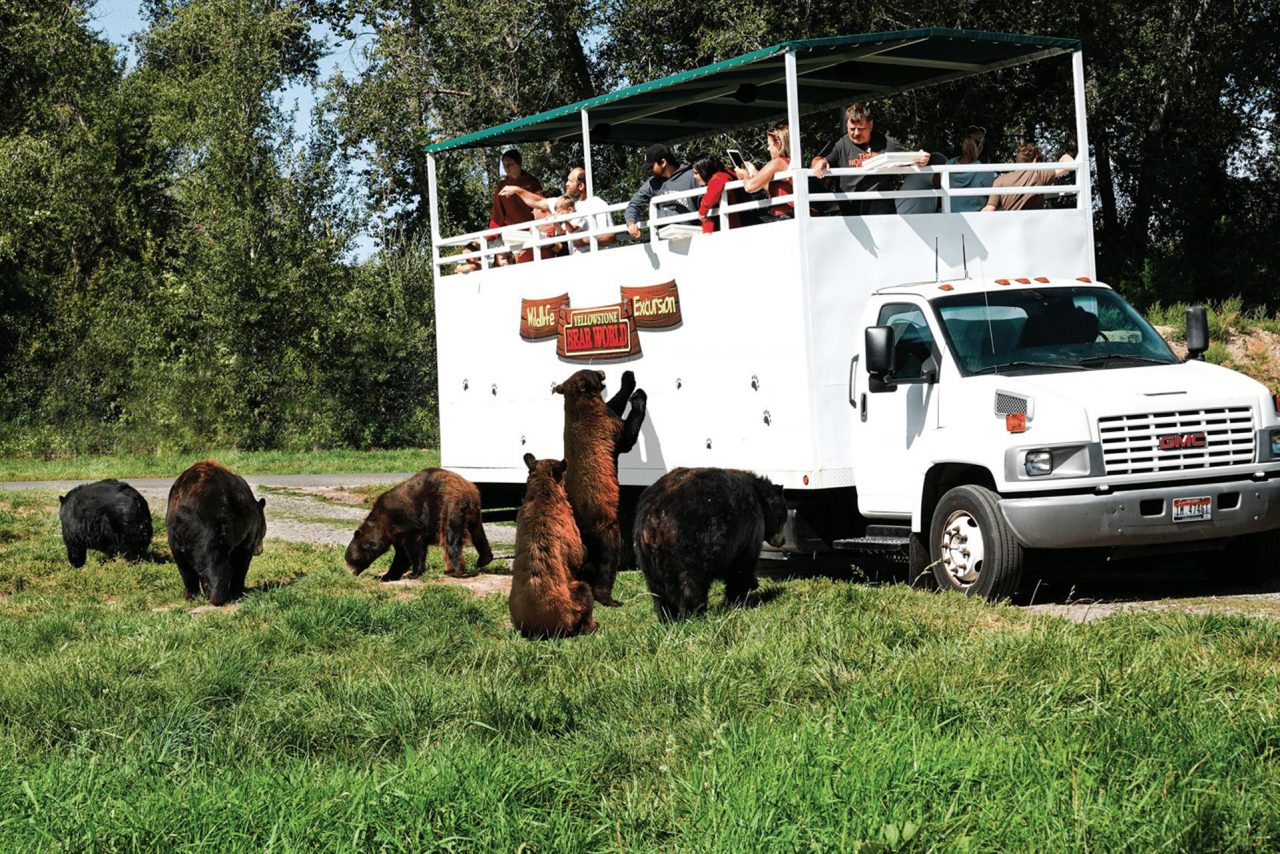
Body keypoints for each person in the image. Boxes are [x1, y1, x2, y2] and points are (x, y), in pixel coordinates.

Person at [810, 102, 930, 215]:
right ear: (846, 125)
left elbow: (912, 159)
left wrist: (921, 159)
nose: (856, 133)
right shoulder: (839, 144)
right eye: (852, 129)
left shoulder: (888, 143)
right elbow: (818, 160)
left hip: (883, 214)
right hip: (851, 213)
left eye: (861, 128)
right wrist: (818, 163)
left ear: (870, 124)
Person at [499, 165, 616, 248]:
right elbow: (538, 202)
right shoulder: (565, 204)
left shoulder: (597, 204)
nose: (566, 184)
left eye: (570, 181)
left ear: (581, 186)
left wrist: (587, 241)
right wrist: (516, 190)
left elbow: (611, 237)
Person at [625, 143, 699, 238]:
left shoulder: (692, 176)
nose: (649, 170)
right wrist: (631, 222)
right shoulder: (652, 183)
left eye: (651, 167)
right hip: (663, 239)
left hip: (692, 237)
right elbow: (634, 204)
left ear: (663, 162)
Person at [982, 145, 1077, 212]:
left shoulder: (999, 181)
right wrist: (1065, 156)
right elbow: (1067, 166)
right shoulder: (1038, 174)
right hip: (1034, 229)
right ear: (1035, 160)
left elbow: (989, 209)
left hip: (1010, 230)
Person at [489, 149, 542, 262]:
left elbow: (540, 206)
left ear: (519, 163)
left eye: (510, 164)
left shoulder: (532, 182)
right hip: (511, 233)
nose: (507, 168)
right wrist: (492, 234)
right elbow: (497, 213)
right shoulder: (502, 185)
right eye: (504, 165)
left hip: (531, 231)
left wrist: (537, 227)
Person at [734, 124, 796, 221]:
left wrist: (744, 175)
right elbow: (776, 188)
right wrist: (755, 173)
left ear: (778, 143)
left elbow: (749, 187)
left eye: (769, 145)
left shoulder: (778, 162)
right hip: (787, 215)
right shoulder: (788, 162)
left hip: (783, 216)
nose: (768, 149)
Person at [947, 126, 994, 212]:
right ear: (981, 147)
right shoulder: (984, 171)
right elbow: (994, 197)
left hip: (949, 215)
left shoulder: (948, 164)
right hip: (975, 217)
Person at [691, 155, 742, 233]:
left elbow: (716, 185)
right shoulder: (725, 173)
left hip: (726, 229)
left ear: (704, 171)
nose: (694, 176)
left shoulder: (720, 176)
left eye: (696, 173)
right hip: (725, 227)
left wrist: (703, 210)